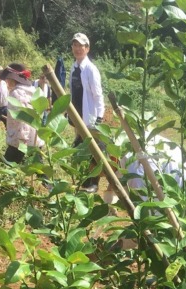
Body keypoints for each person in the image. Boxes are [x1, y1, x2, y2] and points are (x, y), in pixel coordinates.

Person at [69, 32, 105, 192]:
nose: (77, 48)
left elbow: (98, 95)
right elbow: (72, 91)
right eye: (75, 45)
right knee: (80, 148)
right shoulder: (74, 68)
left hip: (90, 117)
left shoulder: (91, 70)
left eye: (81, 46)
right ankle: (84, 181)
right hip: (78, 116)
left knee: (94, 149)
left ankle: (94, 183)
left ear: (87, 48)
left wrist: (99, 116)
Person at [0, 63, 43, 164]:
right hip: (35, 137)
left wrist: (22, 139)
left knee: (8, 165)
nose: (6, 82)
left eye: (7, 79)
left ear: (12, 79)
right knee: (38, 166)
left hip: (21, 140)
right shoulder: (33, 91)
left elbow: (23, 117)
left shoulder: (16, 93)